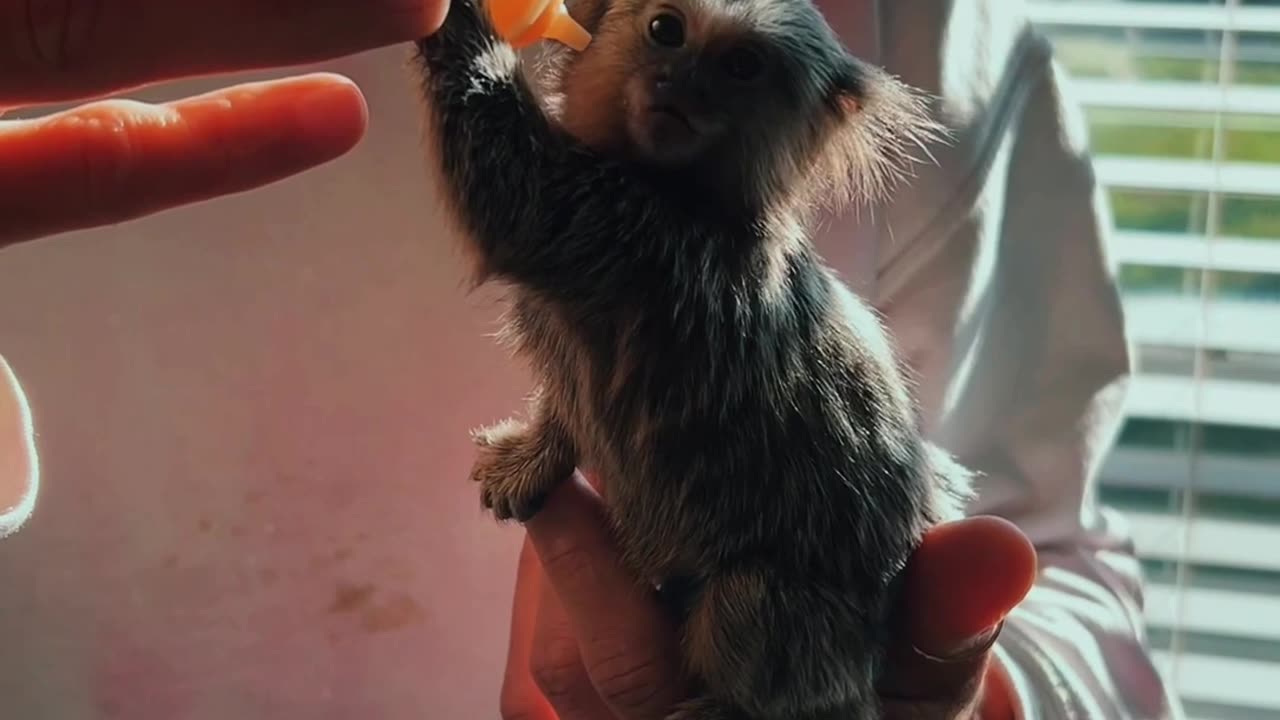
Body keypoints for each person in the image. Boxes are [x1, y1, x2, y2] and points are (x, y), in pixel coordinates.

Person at [0, 0, 1183, 718]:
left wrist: (962, 696)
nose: (677, 76)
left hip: (772, 617)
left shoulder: (938, 54)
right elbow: (587, 346)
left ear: (820, 128)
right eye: (665, 35)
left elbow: (1067, 575)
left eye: (734, 71)